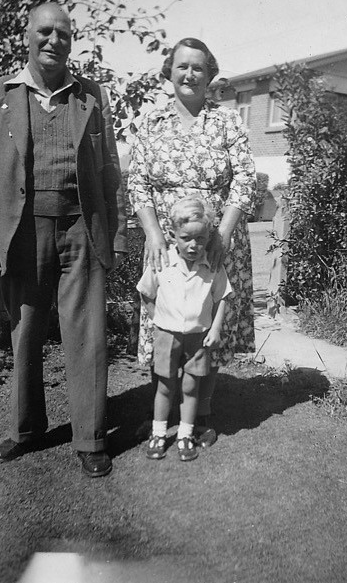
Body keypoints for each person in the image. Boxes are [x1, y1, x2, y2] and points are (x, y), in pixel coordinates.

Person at [0, 2, 127, 478]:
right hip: (22, 232)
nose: (54, 41)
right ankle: (27, 429)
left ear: (72, 39)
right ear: (27, 35)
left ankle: (89, 437)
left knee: (86, 336)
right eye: (45, 32)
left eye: (63, 34)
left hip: (81, 230)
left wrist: (119, 238)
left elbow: (110, 173)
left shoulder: (90, 96)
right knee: (24, 331)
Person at [128, 37, 256, 447]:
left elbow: (245, 178)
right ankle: (162, 415)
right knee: (165, 323)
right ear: (169, 72)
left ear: (210, 74)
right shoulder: (151, 122)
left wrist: (223, 232)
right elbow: (138, 182)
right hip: (167, 243)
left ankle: (201, 413)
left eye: (198, 67)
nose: (189, 74)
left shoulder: (228, 123)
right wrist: (152, 232)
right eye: (181, 66)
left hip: (216, 242)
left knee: (206, 325)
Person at [137, 196, 232, 461]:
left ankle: (185, 435)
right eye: (185, 238)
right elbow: (146, 292)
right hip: (167, 336)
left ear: (209, 236)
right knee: (165, 387)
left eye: (200, 239)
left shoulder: (212, 266)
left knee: (191, 388)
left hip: (199, 339)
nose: (193, 246)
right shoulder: (162, 262)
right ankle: (158, 434)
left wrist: (215, 329)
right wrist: (158, 319)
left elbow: (222, 296)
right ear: (172, 235)